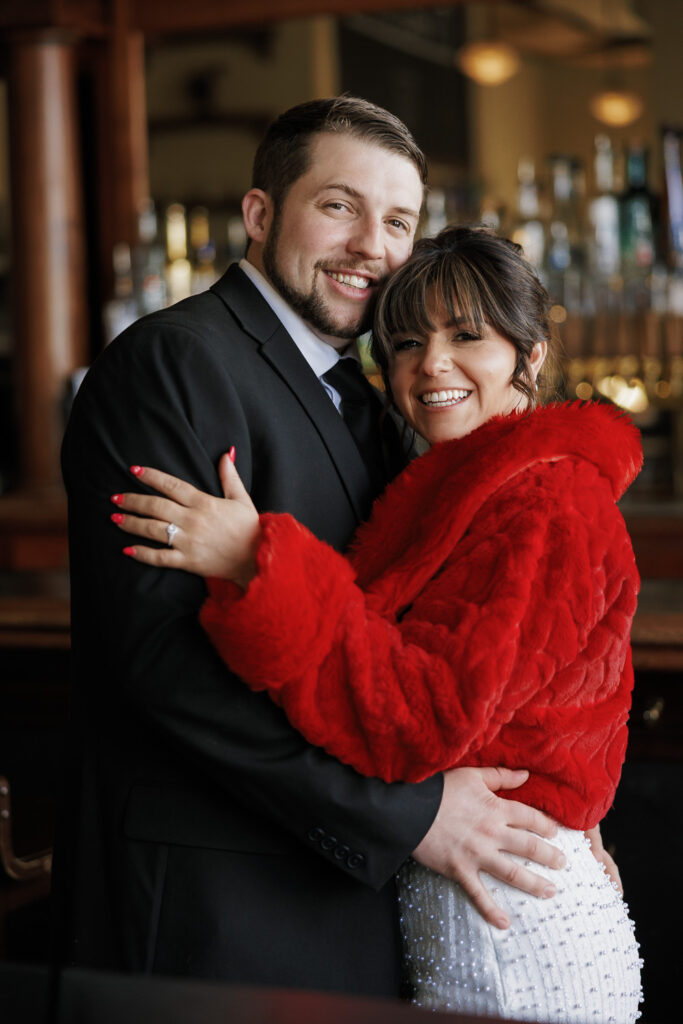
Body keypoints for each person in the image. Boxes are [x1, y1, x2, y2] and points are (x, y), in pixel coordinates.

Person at [55, 99, 565, 993]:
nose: (372, 244)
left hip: (347, 894)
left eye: (397, 220)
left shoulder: (372, 394)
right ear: (260, 216)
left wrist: (566, 803)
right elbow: (165, 663)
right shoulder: (172, 363)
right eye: (338, 206)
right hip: (220, 904)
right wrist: (409, 814)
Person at [112, 226, 643, 1022]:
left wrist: (258, 561)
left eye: (466, 336)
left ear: (528, 356)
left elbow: (424, 717)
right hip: (477, 894)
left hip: (510, 919)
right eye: (403, 343)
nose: (429, 363)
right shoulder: (456, 486)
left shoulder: (545, 498)